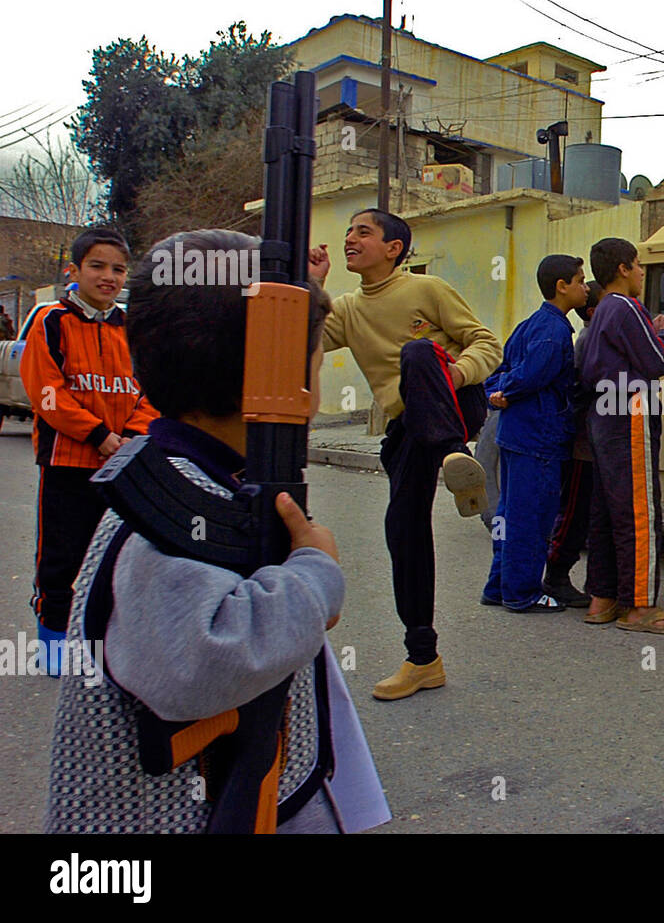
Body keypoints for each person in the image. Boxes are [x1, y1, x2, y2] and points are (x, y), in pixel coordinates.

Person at [46, 229, 388, 833]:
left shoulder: (201, 478)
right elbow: (198, 663)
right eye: (312, 353)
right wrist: (313, 577)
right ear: (283, 373)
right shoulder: (173, 509)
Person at [315, 209, 502, 700]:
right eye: (348, 231)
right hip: (408, 428)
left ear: (394, 247)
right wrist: (311, 287)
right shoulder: (348, 307)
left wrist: (458, 374)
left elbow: (487, 344)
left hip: (453, 403)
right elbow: (303, 337)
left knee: (417, 353)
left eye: (363, 232)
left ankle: (454, 455)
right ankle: (424, 659)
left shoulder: (427, 289)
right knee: (403, 532)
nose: (350, 239)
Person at [19, 228, 158, 674]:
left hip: (123, 464)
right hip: (68, 463)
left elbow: (150, 391)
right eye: (97, 266)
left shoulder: (132, 328)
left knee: (120, 558)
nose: (109, 277)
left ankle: (107, 643)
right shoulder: (50, 320)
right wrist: (100, 435)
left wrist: (132, 434)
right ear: (74, 271)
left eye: (118, 269)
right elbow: (47, 394)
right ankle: (54, 642)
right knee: (61, 557)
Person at [579, 237, 664, 633]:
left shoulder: (604, 310)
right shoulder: (625, 306)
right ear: (623, 269)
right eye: (639, 265)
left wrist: (650, 330)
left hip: (602, 415)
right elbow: (657, 361)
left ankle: (602, 598)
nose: (643, 272)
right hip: (629, 413)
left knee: (608, 509)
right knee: (640, 512)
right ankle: (640, 607)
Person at [481, 255, 589, 612]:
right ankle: (522, 592)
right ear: (562, 287)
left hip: (515, 435)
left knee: (509, 514)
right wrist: (506, 390)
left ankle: (499, 586)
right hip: (538, 438)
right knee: (532, 518)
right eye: (580, 281)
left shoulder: (530, 324)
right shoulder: (554, 331)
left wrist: (497, 391)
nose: (585, 289)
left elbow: (500, 372)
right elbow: (530, 375)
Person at [542, 279, 604, 607]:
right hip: (583, 440)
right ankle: (555, 572)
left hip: (593, 438)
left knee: (586, 511)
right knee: (574, 511)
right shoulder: (590, 337)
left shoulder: (592, 334)